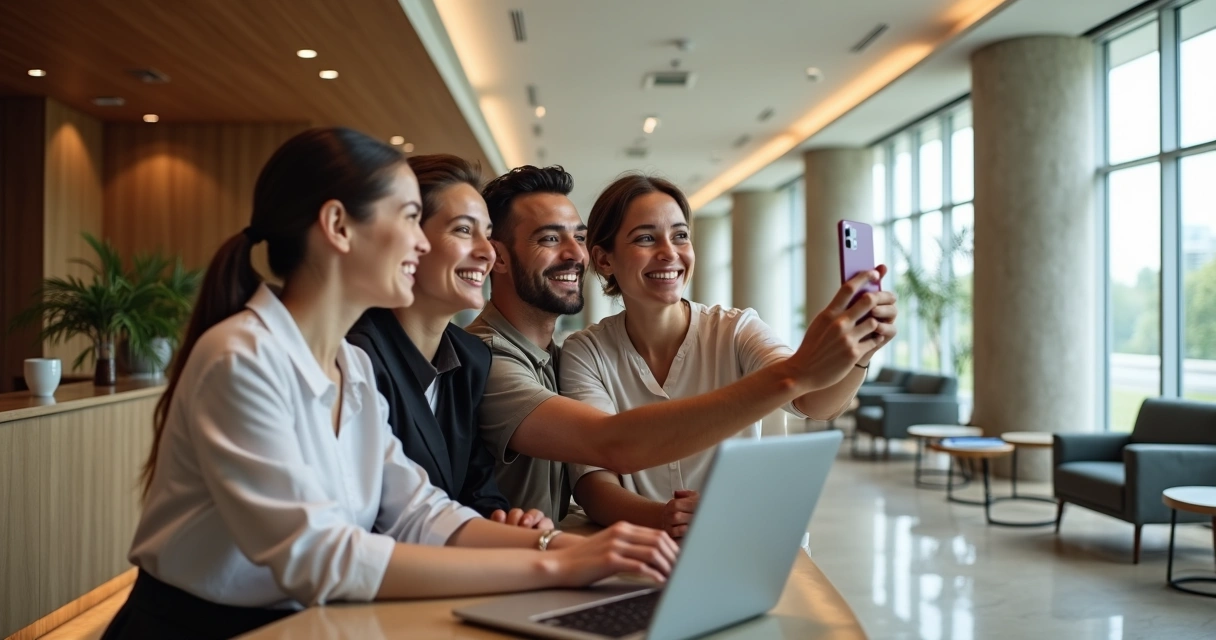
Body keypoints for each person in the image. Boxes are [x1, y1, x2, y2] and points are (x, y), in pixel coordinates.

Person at [102, 129, 675, 640]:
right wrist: (557, 565)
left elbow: (417, 513)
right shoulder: (240, 357)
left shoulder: (348, 365)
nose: (423, 244)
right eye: (408, 219)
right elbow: (317, 555)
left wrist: (576, 549)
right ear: (337, 227)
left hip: (309, 621)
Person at [465, 165, 897, 525]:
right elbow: (605, 453)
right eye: (645, 238)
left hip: (731, 543)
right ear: (606, 259)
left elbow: (816, 403)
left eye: (681, 235)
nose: (572, 254)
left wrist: (858, 353)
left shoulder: (735, 329)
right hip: (523, 563)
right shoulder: (502, 356)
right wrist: (794, 374)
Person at [347, 154, 551, 529]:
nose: (488, 252)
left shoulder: (471, 357)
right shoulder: (355, 354)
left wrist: (507, 523)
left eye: (487, 234)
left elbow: (477, 493)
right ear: (409, 239)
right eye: (462, 230)